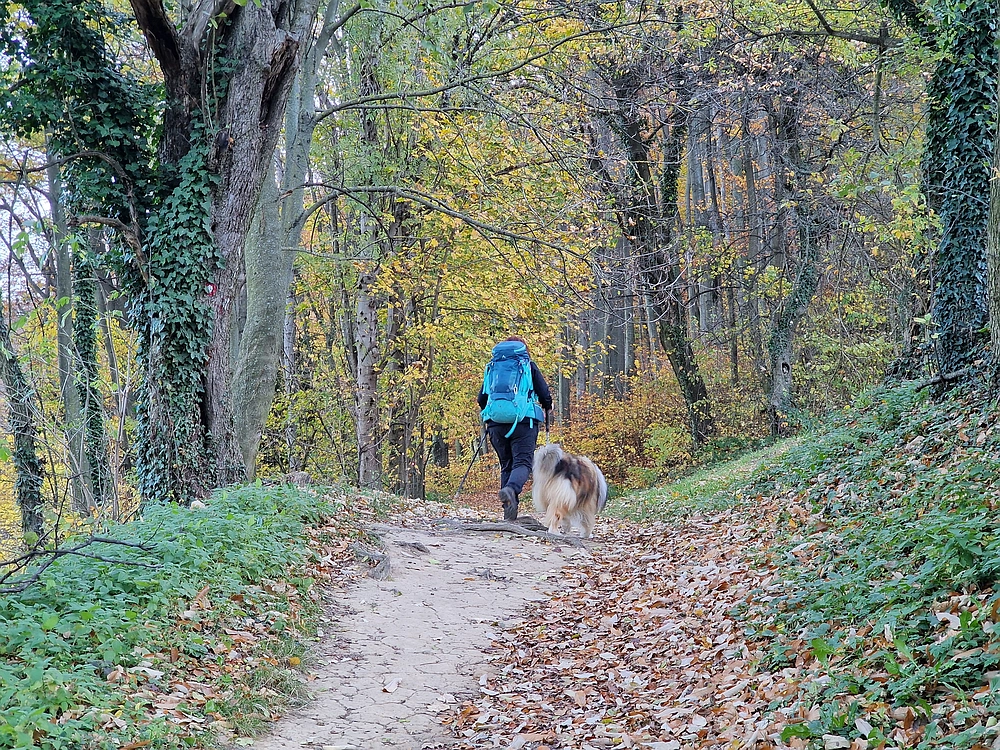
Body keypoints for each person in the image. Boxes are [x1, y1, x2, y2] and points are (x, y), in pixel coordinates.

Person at [477, 336, 553, 521]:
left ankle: (509, 513)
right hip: (523, 422)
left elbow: (481, 399)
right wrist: (547, 407)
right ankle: (511, 490)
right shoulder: (527, 365)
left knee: (507, 465)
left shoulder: (493, 367)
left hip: (495, 425)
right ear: (523, 349)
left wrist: (497, 415)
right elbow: (544, 393)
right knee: (523, 464)